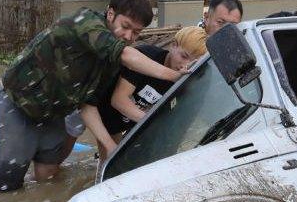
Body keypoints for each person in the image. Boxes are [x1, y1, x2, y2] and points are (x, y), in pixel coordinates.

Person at [0, 0, 188, 192]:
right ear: (110, 14)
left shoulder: (110, 62)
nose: (128, 36)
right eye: (125, 26)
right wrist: (173, 75)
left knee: (48, 173)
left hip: (55, 110)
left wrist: (110, 147)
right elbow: (125, 54)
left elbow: (88, 106)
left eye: (136, 32)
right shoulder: (85, 21)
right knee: (6, 184)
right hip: (19, 100)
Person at [84, 26, 207, 157]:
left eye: (193, 62)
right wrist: (153, 122)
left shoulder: (189, 78)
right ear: (173, 45)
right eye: (184, 56)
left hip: (132, 119)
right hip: (101, 109)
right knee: (103, 157)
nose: (185, 65)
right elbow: (119, 100)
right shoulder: (146, 57)